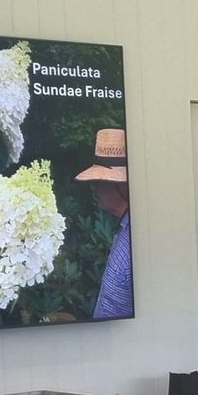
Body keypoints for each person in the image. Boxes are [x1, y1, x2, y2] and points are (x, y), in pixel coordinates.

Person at [77, 128, 133, 320]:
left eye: (99, 182)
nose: (94, 188)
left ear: (122, 186)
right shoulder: (124, 228)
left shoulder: (136, 241)